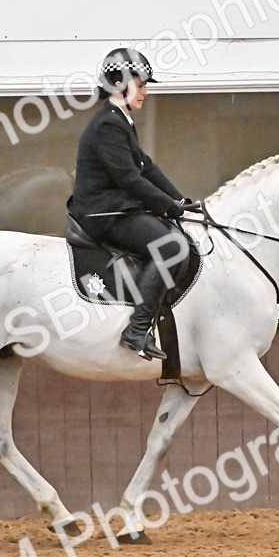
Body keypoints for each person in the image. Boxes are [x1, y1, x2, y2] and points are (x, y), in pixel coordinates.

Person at [67, 48, 196, 361]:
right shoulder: (107, 126)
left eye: (145, 85)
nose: (145, 92)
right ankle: (137, 329)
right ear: (117, 84)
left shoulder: (119, 120)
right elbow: (130, 180)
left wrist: (179, 201)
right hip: (103, 213)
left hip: (117, 207)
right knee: (170, 245)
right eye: (140, 85)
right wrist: (169, 208)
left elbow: (145, 166)